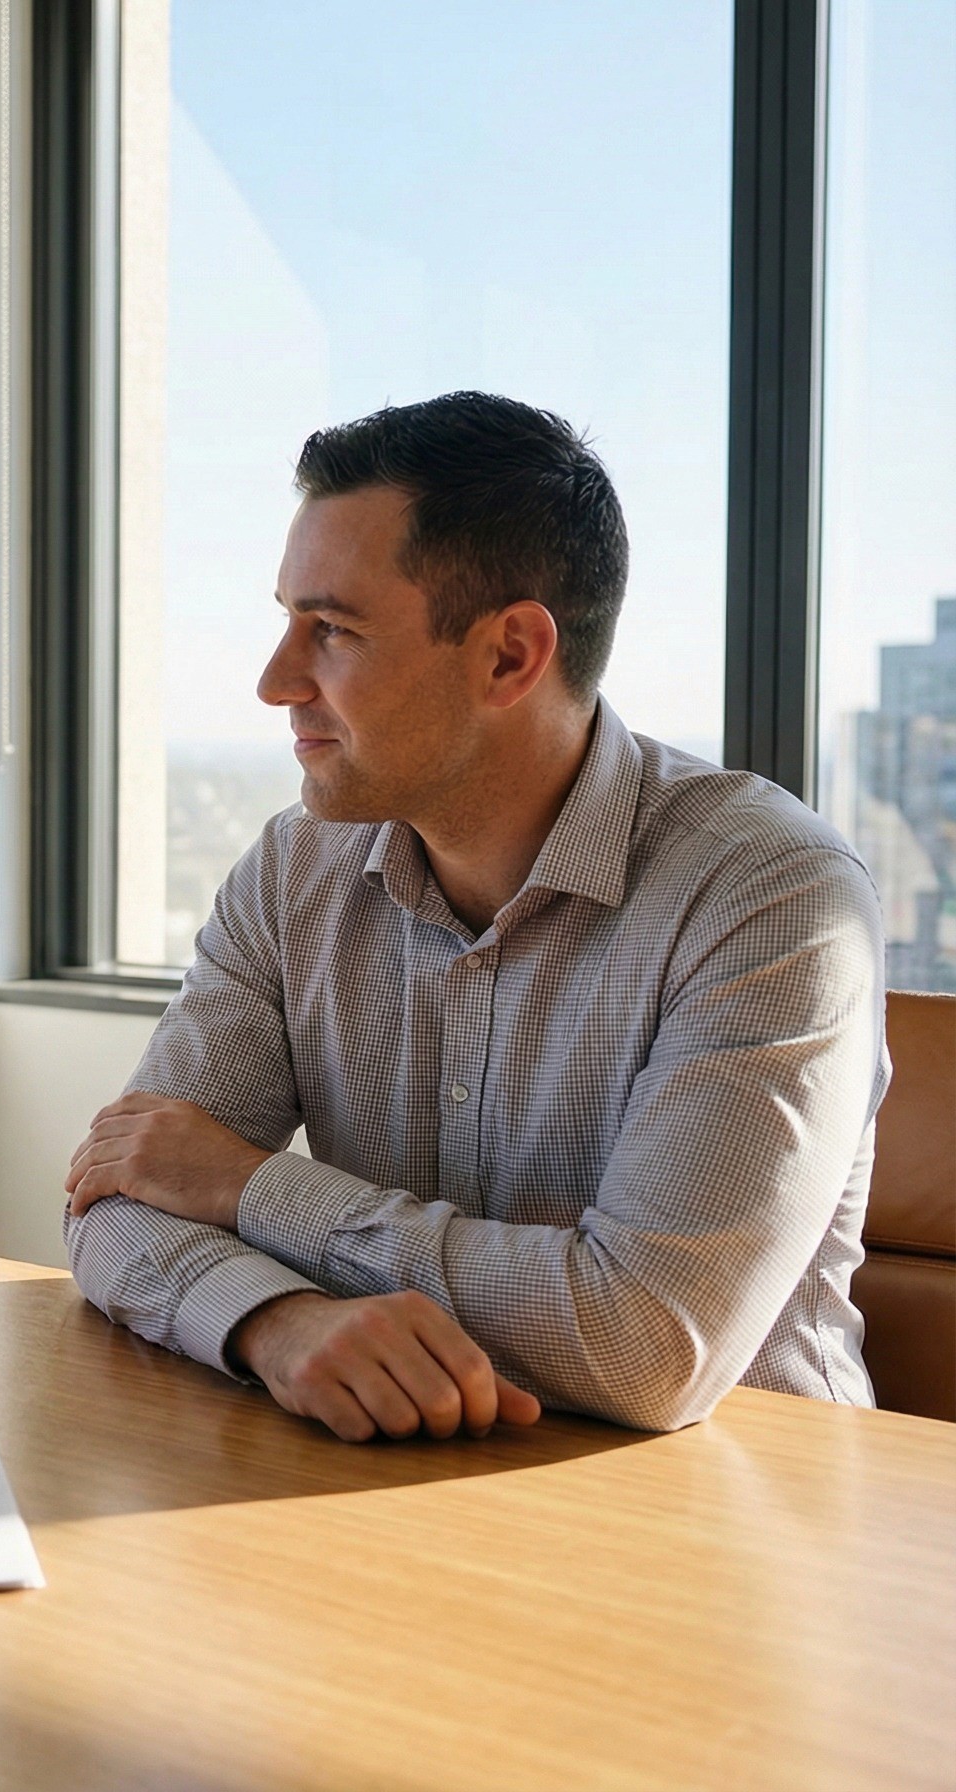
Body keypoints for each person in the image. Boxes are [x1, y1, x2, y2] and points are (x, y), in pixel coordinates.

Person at [63, 391, 885, 1442]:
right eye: (287, 621)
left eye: (333, 630)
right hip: (396, 1497)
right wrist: (275, 1320)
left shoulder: (774, 898)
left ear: (509, 656)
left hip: (741, 1528)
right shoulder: (293, 870)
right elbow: (118, 1197)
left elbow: (648, 1343)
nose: (275, 681)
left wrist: (254, 1188)